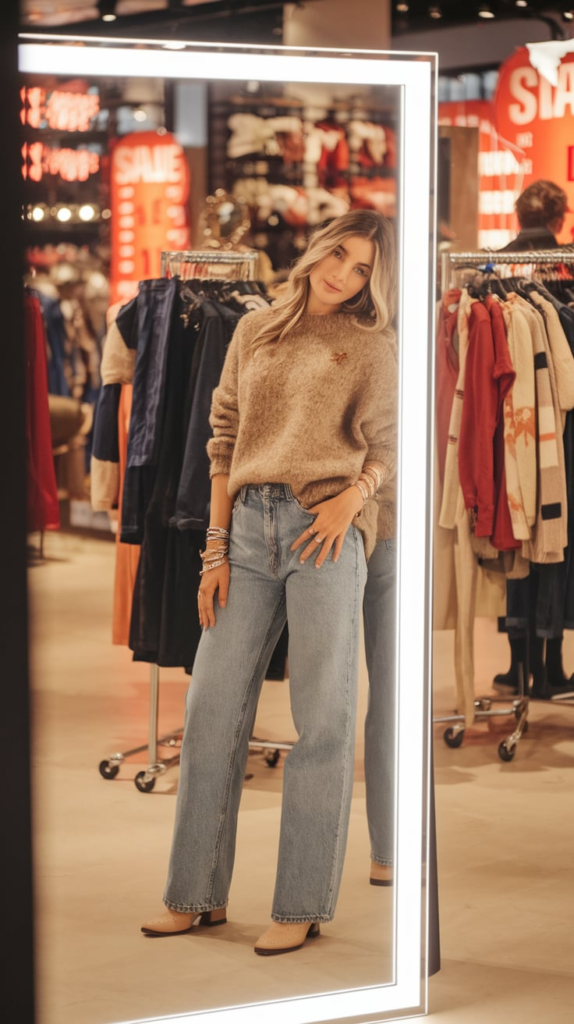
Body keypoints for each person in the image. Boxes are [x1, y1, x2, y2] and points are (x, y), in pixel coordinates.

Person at [140, 210, 398, 955]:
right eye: (338, 254)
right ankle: (194, 894)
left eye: (360, 269)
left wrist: (356, 497)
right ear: (318, 245)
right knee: (211, 707)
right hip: (248, 531)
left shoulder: (372, 343)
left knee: (322, 720)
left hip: (326, 532)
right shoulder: (254, 330)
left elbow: (387, 443)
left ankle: (302, 902)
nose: (342, 275)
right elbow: (222, 437)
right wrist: (215, 548)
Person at [494, 180, 573, 695]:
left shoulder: (493, 269)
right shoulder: (569, 267)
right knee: (559, 530)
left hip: (510, 423)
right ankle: (554, 664)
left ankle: (518, 662)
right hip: (566, 424)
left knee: (515, 531)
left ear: (516, 216)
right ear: (563, 219)